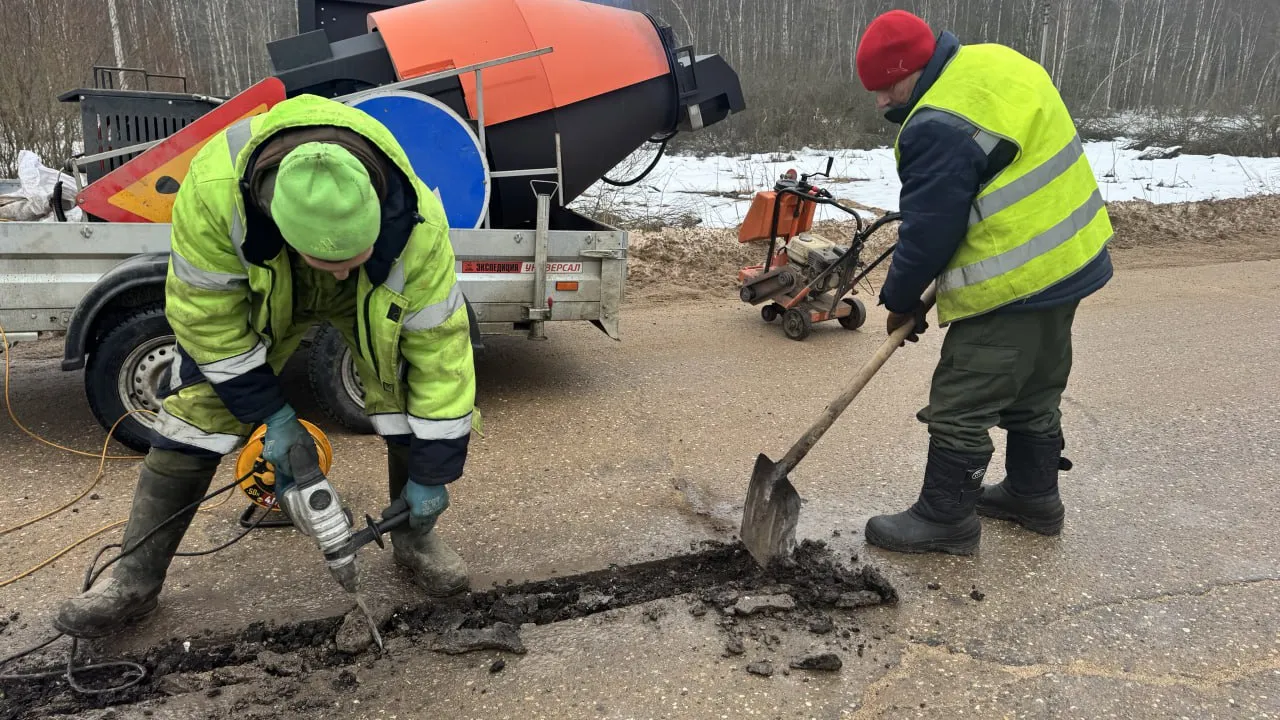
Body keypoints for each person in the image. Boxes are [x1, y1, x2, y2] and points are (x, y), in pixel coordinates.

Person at [55, 94, 478, 637]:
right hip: (265, 284)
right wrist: (273, 420)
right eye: (330, 264)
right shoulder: (212, 197)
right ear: (282, 228)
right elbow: (207, 322)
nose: (340, 276)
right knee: (197, 410)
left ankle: (415, 541)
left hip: (369, 288)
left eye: (353, 260)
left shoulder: (418, 225)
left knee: (403, 386)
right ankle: (132, 584)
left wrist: (434, 472)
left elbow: (441, 357)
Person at [854, 11, 1113, 555]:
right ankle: (1032, 496)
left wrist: (900, 301)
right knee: (1036, 385)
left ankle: (946, 518)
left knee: (962, 399)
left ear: (910, 70)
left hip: (1015, 277)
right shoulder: (993, 61)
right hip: (1069, 257)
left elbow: (929, 232)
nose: (880, 102)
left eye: (884, 88)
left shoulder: (935, 125)